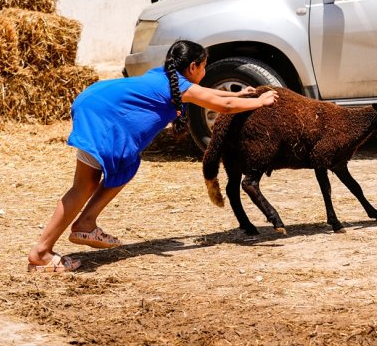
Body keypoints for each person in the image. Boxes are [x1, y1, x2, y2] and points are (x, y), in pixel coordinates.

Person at [27, 40, 279, 272]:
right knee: (83, 187)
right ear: (193, 67)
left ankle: (83, 226)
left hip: (95, 103)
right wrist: (261, 102)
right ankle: (43, 251)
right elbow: (221, 106)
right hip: (101, 115)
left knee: (107, 175)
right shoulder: (176, 85)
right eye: (204, 66)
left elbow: (214, 97)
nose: (205, 71)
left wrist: (239, 95)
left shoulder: (166, 79)